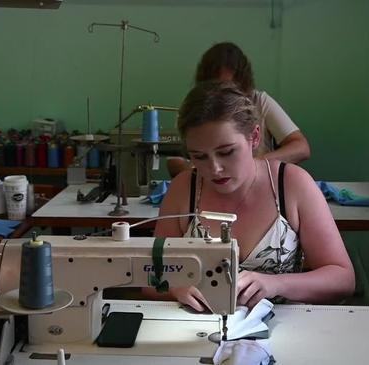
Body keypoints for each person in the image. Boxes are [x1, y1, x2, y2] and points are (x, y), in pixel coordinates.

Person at [150, 81, 354, 311]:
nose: (214, 168)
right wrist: (175, 288)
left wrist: (277, 284)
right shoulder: (183, 190)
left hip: (284, 330)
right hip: (199, 329)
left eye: (226, 152)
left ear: (254, 137)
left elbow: (342, 278)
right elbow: (151, 276)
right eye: (199, 157)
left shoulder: (292, 185)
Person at [167, 42, 311, 177]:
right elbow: (175, 160)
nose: (222, 93)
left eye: (227, 151)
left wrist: (253, 164)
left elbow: (300, 147)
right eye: (215, 86)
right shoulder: (196, 107)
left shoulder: (259, 101)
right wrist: (201, 171)